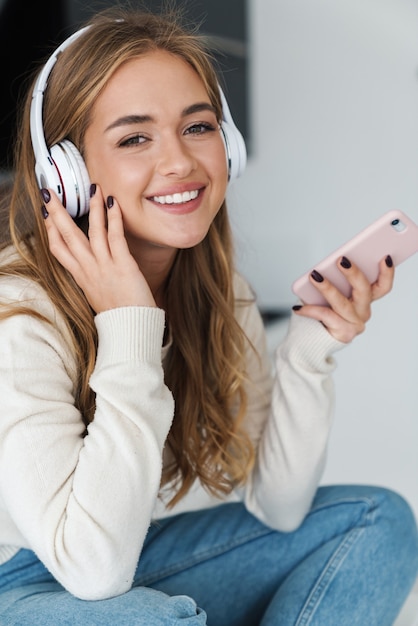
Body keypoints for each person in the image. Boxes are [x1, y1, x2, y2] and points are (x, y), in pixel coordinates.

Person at [0, 5, 416, 625]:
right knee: (148, 618)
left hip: (139, 560)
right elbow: (90, 570)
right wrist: (130, 325)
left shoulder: (221, 294)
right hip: (25, 581)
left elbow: (277, 508)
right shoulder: (19, 313)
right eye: (135, 137)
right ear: (68, 175)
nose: (181, 163)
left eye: (197, 127)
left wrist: (307, 352)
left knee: (378, 521)